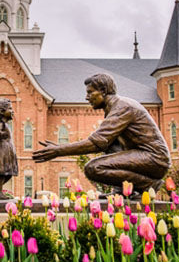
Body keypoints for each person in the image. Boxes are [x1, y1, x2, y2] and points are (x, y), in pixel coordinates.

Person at [33, 73, 170, 194]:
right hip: (144, 156)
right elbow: (107, 146)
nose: (87, 97)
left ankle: (148, 184)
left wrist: (58, 150)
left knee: (93, 168)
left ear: (103, 91)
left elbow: (95, 143)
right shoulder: (113, 108)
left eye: (90, 92)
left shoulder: (122, 107)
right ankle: (121, 190)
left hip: (155, 159)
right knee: (110, 144)